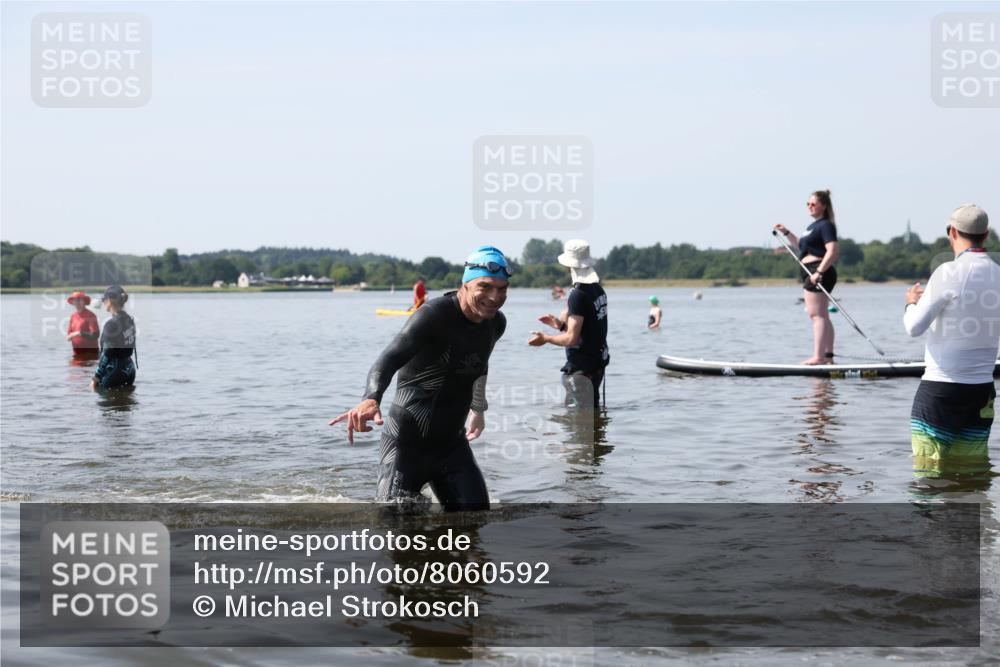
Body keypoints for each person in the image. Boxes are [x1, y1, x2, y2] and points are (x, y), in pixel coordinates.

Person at [330, 246, 510, 511]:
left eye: (502, 288)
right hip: (406, 447)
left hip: (452, 447)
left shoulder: (495, 323)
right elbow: (388, 358)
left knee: (475, 522)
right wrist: (370, 398)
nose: (495, 297)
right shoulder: (433, 316)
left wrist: (478, 408)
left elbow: (480, 366)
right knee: (395, 529)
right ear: (465, 284)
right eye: (485, 286)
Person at [903, 204, 1000, 476]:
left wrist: (911, 304)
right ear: (986, 234)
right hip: (982, 391)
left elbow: (914, 327)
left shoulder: (947, 272)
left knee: (928, 477)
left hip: (941, 390)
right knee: (972, 475)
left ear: (953, 232)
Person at [530, 239, 610, 409]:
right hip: (596, 364)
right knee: (592, 418)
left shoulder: (578, 294)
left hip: (582, 369)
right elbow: (589, 329)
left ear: (569, 266)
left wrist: (545, 338)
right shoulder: (597, 290)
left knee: (579, 424)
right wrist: (560, 326)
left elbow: (572, 339)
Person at [773, 189, 840, 365]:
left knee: (816, 315)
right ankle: (828, 358)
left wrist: (819, 272)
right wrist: (786, 232)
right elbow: (802, 246)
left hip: (817, 271)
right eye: (807, 204)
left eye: (813, 204)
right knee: (823, 315)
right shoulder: (812, 227)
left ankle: (818, 357)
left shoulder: (825, 225)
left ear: (823, 206)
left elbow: (832, 250)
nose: (809, 206)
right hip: (812, 270)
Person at [90, 285, 137, 391]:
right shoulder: (129, 320)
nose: (102, 302)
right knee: (126, 404)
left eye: (103, 299)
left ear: (109, 301)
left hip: (115, 371)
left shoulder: (111, 325)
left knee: (105, 405)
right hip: (130, 369)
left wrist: (96, 378)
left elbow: (107, 354)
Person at [65, 291, 100, 355]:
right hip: (77, 353)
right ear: (72, 302)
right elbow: (69, 334)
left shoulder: (91, 315)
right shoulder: (73, 316)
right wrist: (69, 337)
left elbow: (95, 335)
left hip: (90, 353)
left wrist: (79, 333)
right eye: (75, 300)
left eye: (79, 300)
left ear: (84, 301)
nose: (77, 302)